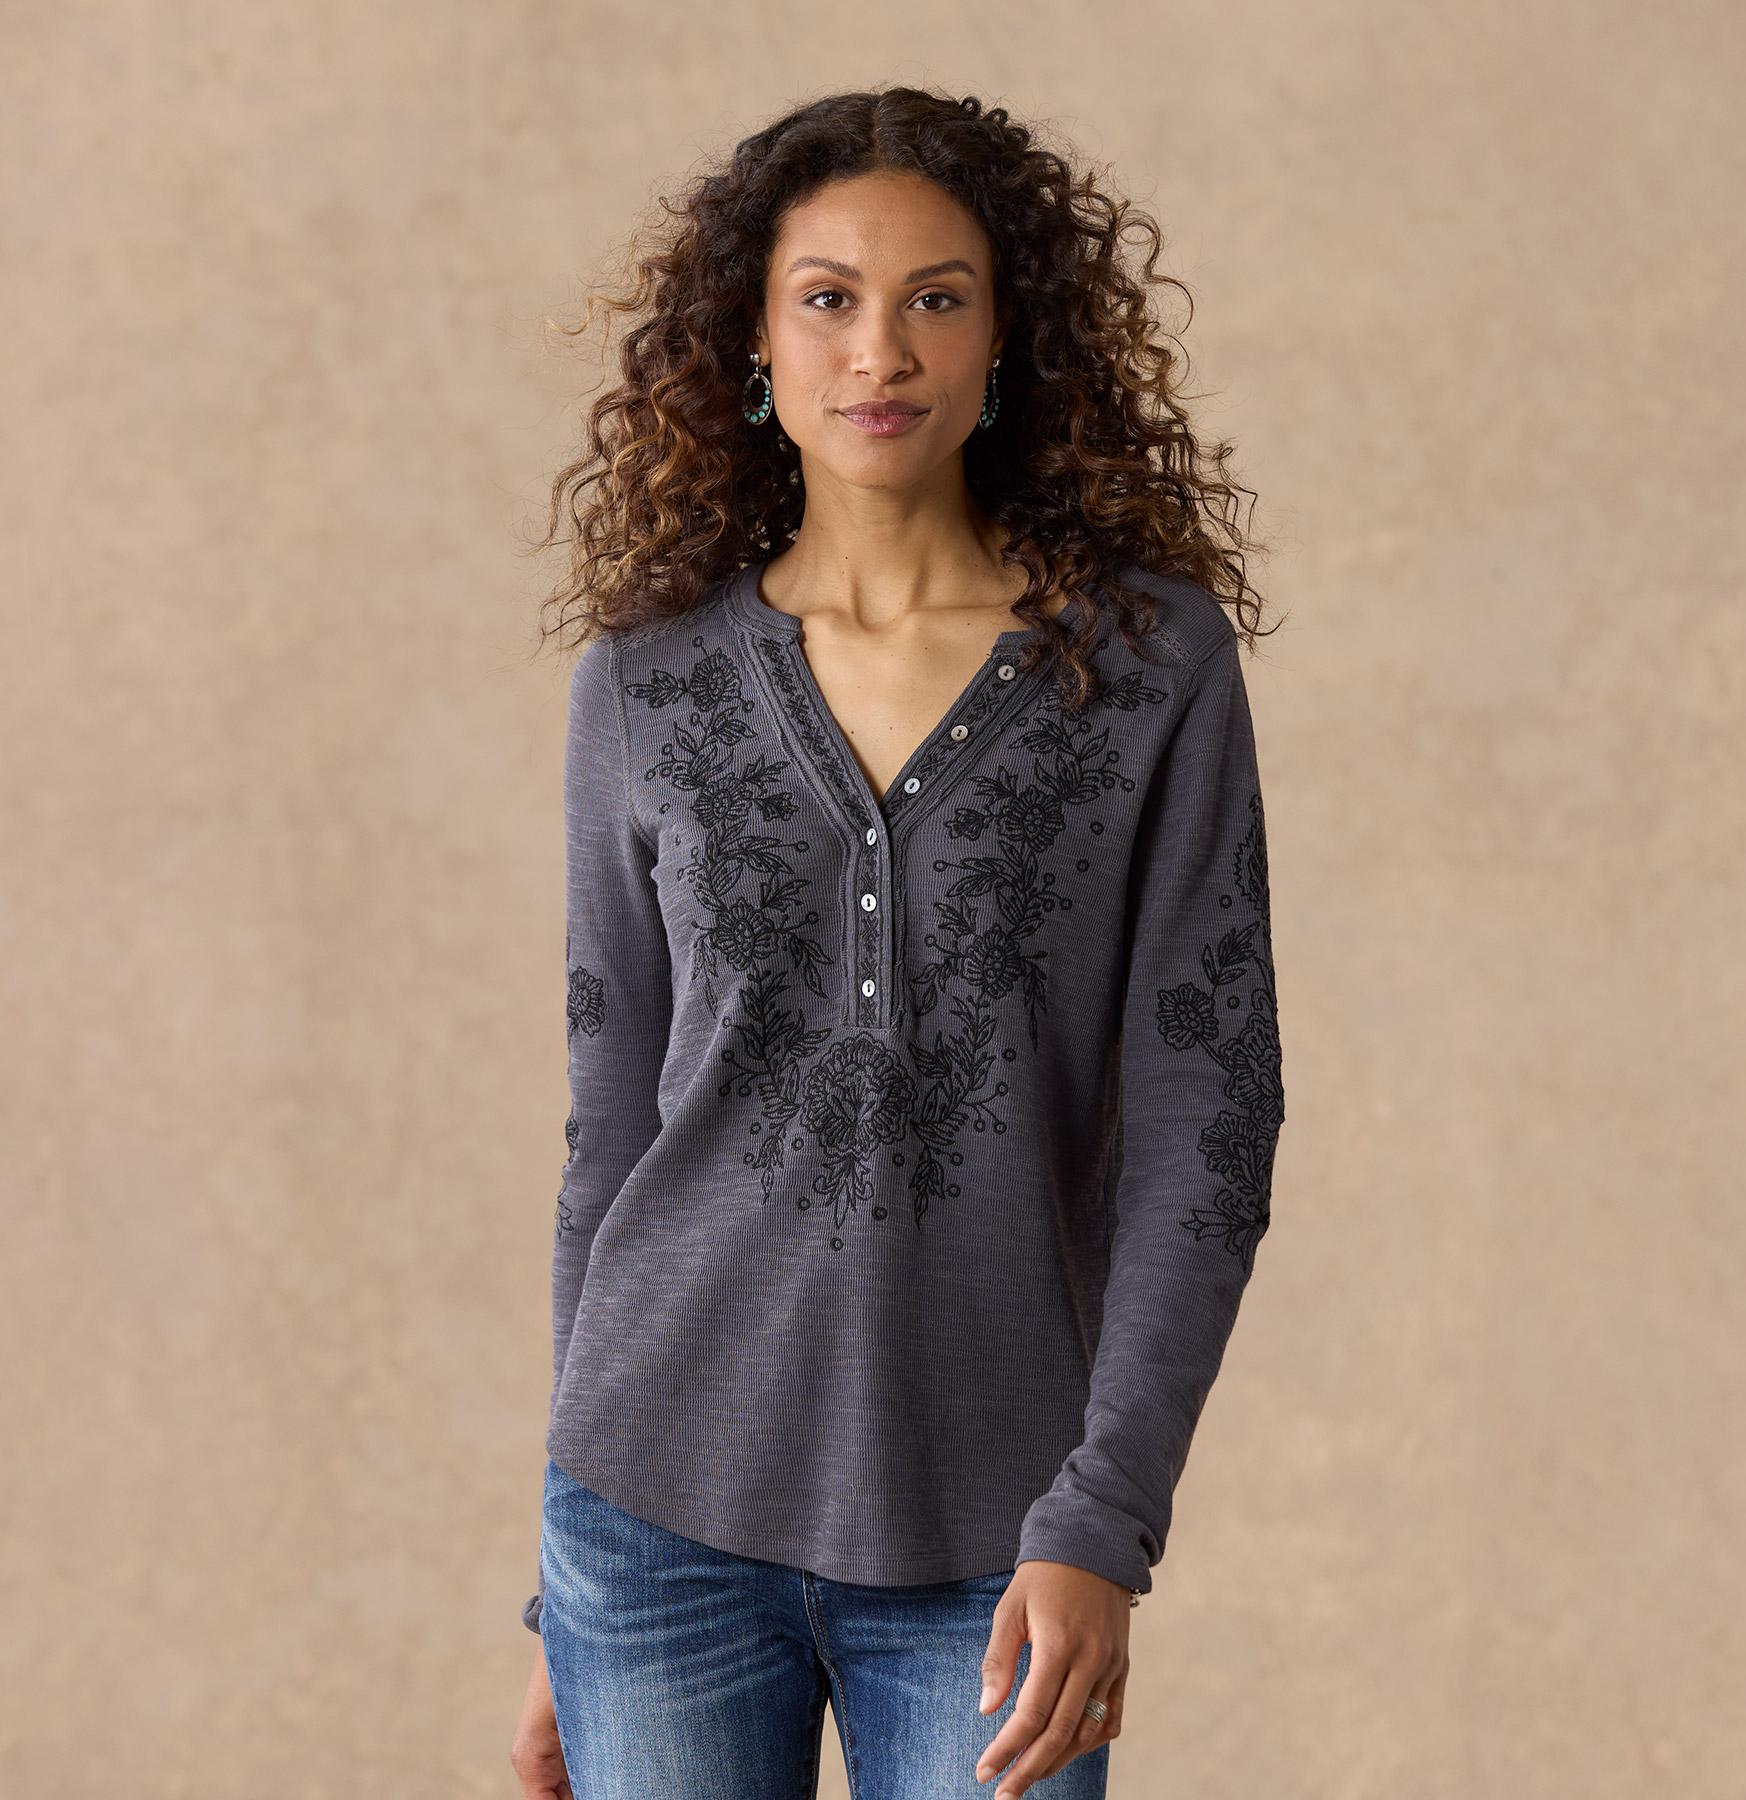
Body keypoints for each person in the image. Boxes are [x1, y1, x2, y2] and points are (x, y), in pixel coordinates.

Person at [510, 85, 1288, 1800]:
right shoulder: (645, 681)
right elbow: (608, 1136)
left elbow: (1209, 1130)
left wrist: (1103, 1518)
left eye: (937, 296)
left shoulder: (1144, 667)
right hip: (649, 1529)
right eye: (829, 298)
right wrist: (564, 1603)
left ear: (1007, 337)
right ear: (753, 337)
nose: (881, 350)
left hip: (1006, 1539)